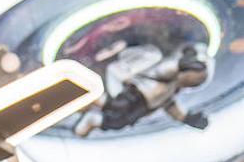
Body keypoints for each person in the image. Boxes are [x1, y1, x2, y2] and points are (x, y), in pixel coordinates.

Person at [74, 41, 210, 137]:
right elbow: (163, 70)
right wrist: (181, 63)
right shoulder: (166, 69)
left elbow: (170, 106)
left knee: (120, 120)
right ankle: (85, 97)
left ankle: (92, 117)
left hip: (141, 107)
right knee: (117, 104)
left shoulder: (172, 89)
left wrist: (186, 118)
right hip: (130, 90)